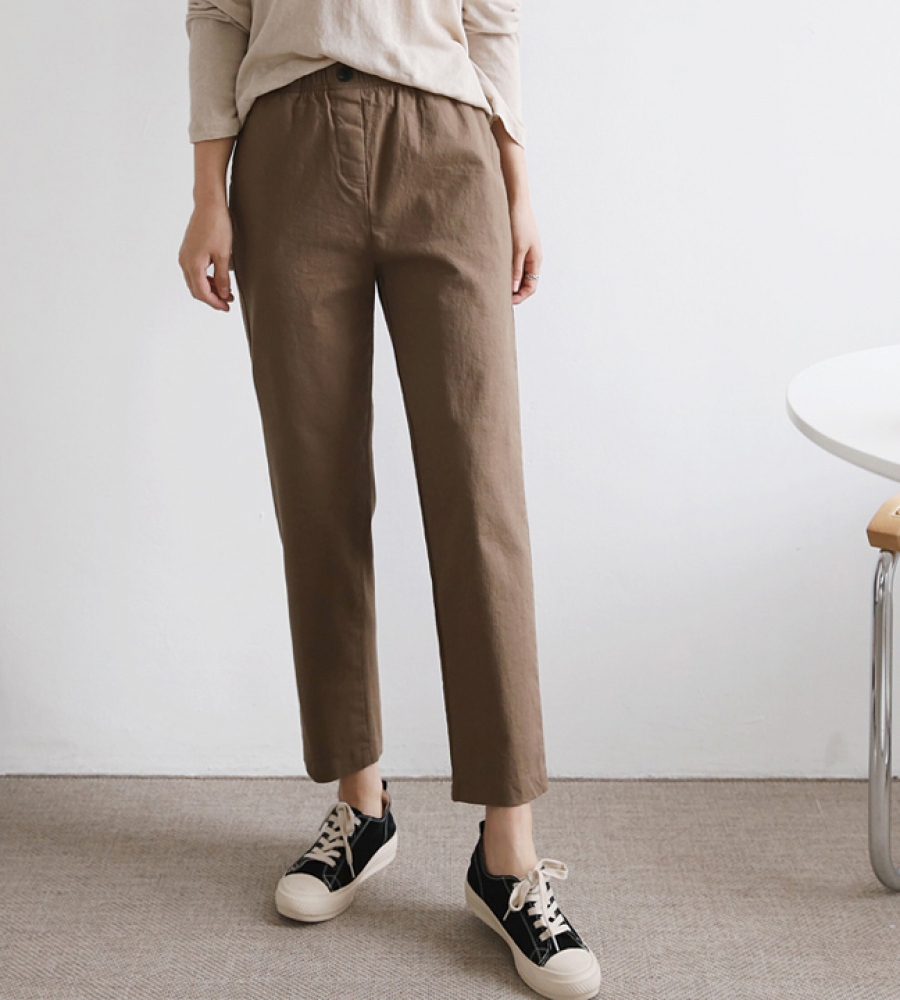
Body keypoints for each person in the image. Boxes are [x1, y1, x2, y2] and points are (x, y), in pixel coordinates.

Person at [177, 2, 601, 997]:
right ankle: (359, 806)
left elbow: (489, 19)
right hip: (286, 147)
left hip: (447, 146)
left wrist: (519, 186)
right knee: (316, 488)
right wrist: (207, 192)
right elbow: (218, 14)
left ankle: (507, 854)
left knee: (481, 501)